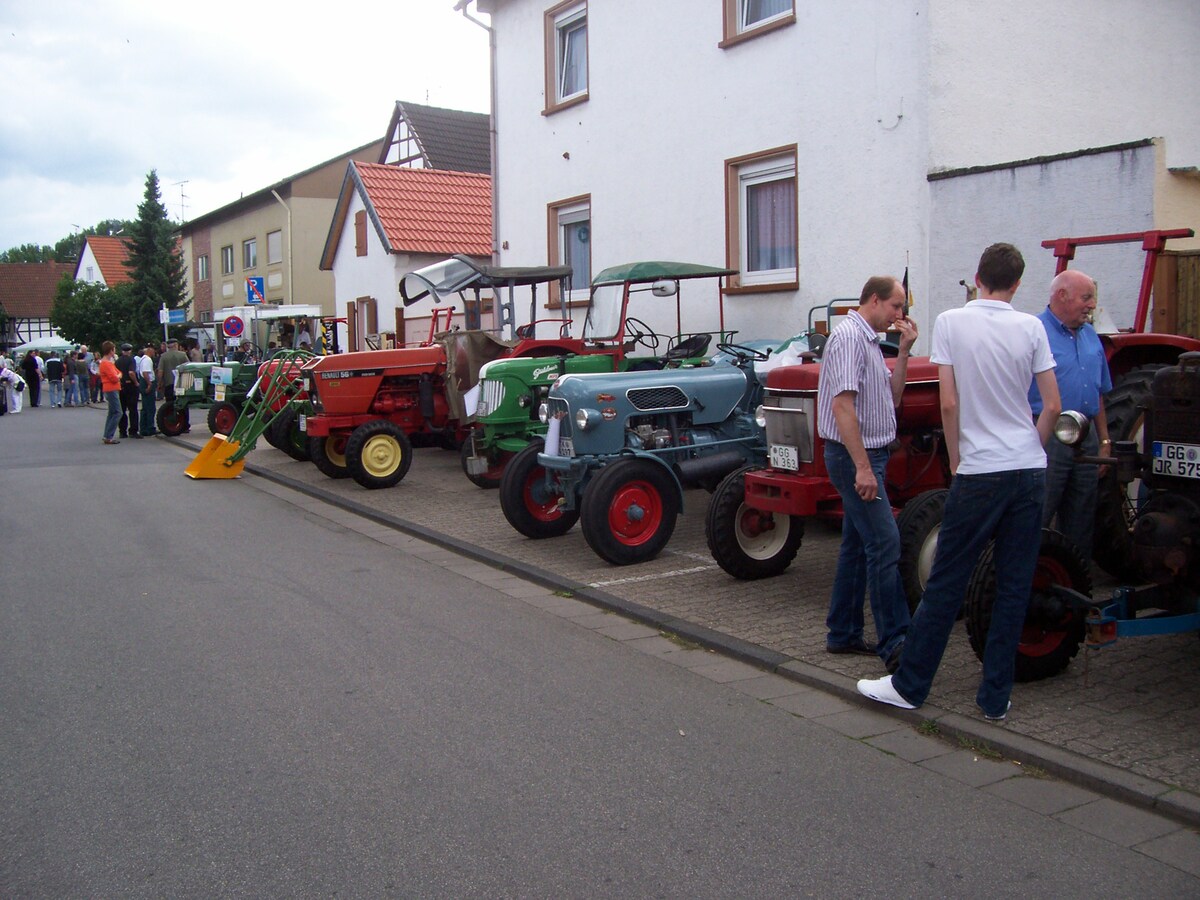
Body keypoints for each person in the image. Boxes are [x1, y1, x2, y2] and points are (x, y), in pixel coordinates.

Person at [858, 242, 1061, 722]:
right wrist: (1030, 448)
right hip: (1028, 468)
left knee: (947, 581)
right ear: (1017, 284)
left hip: (979, 470)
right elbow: (1052, 405)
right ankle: (994, 698)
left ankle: (910, 685)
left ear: (978, 277)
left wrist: (958, 459)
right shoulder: (1032, 327)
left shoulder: (952, 322)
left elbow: (948, 404)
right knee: (1013, 585)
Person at [816, 276, 918, 671]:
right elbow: (842, 406)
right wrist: (862, 467)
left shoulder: (870, 341)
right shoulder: (848, 338)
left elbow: (893, 398)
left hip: (868, 455)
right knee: (886, 543)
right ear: (874, 300)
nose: (899, 314)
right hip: (854, 457)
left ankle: (843, 632)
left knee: (858, 544)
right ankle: (897, 641)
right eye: (896, 306)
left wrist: (904, 352)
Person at [1028, 269, 1111, 560]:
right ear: (1062, 295)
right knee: (1040, 509)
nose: (1092, 305)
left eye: (1092, 298)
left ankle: (1076, 579)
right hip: (1049, 434)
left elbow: (1098, 392)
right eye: (1086, 298)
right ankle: (1031, 574)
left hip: (1086, 436)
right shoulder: (1034, 332)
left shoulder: (1091, 336)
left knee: (1082, 515)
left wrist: (1104, 441)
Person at [99, 341, 122, 444]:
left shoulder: (107, 363)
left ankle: (107, 435)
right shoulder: (106, 364)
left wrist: (118, 375)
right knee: (118, 412)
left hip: (110, 388)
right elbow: (114, 377)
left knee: (112, 412)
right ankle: (109, 436)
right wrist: (118, 376)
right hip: (111, 388)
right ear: (111, 351)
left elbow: (118, 372)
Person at [157, 337, 189, 406]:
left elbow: (160, 371)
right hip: (181, 384)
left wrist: (159, 383)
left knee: (169, 404)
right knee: (182, 404)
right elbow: (188, 367)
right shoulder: (183, 355)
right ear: (176, 345)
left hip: (169, 384)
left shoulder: (163, 356)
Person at [116, 343, 139, 438]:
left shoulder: (118, 361)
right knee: (133, 409)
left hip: (121, 386)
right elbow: (131, 372)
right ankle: (133, 431)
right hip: (130, 386)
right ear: (130, 351)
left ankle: (122, 431)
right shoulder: (131, 360)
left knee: (122, 409)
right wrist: (136, 382)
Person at [136, 342, 157, 437]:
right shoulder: (147, 360)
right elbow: (145, 373)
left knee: (145, 407)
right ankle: (150, 428)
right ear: (149, 350)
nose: (154, 352)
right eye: (153, 350)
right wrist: (149, 384)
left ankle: (143, 428)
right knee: (150, 408)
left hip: (143, 383)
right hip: (147, 383)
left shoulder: (143, 359)